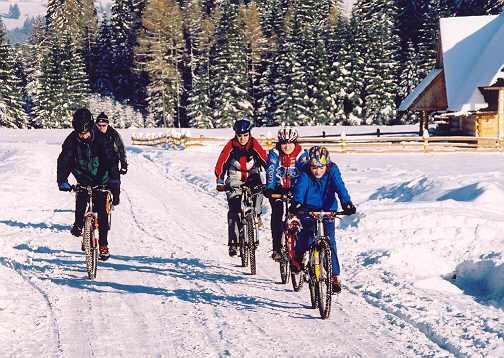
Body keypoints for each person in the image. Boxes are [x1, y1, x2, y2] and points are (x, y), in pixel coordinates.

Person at [289, 146, 356, 293]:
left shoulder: (333, 171)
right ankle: (298, 258)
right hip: (308, 209)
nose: (317, 171)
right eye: (314, 167)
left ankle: (333, 276)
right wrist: (297, 203)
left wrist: (346, 202)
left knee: (330, 241)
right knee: (306, 236)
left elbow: (340, 187)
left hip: (328, 210)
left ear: (327, 165)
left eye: (321, 167)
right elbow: (300, 188)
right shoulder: (305, 173)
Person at [57, 108, 121, 261]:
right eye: (80, 133)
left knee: (102, 213)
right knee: (81, 197)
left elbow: (112, 161)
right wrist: (62, 180)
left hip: (101, 179)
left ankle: (103, 245)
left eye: (85, 133)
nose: (83, 136)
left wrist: (114, 183)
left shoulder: (101, 139)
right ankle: (79, 224)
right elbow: (64, 161)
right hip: (83, 177)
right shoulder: (71, 140)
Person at [215, 119, 268, 257]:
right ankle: (233, 243)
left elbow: (266, 160)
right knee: (234, 209)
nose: (242, 138)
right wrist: (220, 179)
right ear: (235, 135)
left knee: (259, 190)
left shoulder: (254, 144)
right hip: (235, 177)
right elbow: (221, 163)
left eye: (245, 135)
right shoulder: (230, 146)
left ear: (249, 133)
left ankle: (256, 214)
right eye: (239, 135)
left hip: (252, 175)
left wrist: (272, 178)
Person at [264, 127, 307, 260]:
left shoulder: (301, 153)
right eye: (283, 143)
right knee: (277, 213)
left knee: (302, 214)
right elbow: (270, 171)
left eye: (290, 143)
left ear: (295, 143)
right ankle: (277, 247)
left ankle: (302, 246)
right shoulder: (275, 153)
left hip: (296, 188)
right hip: (278, 188)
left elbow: (305, 173)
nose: (287, 146)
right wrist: (270, 187)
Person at [95, 112, 128, 204]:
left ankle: (116, 196)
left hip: (112, 160)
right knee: (96, 183)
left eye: (103, 125)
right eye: (99, 125)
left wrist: (124, 164)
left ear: (107, 125)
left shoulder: (113, 134)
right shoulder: (93, 133)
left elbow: (121, 149)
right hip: (97, 162)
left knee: (114, 179)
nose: (101, 127)